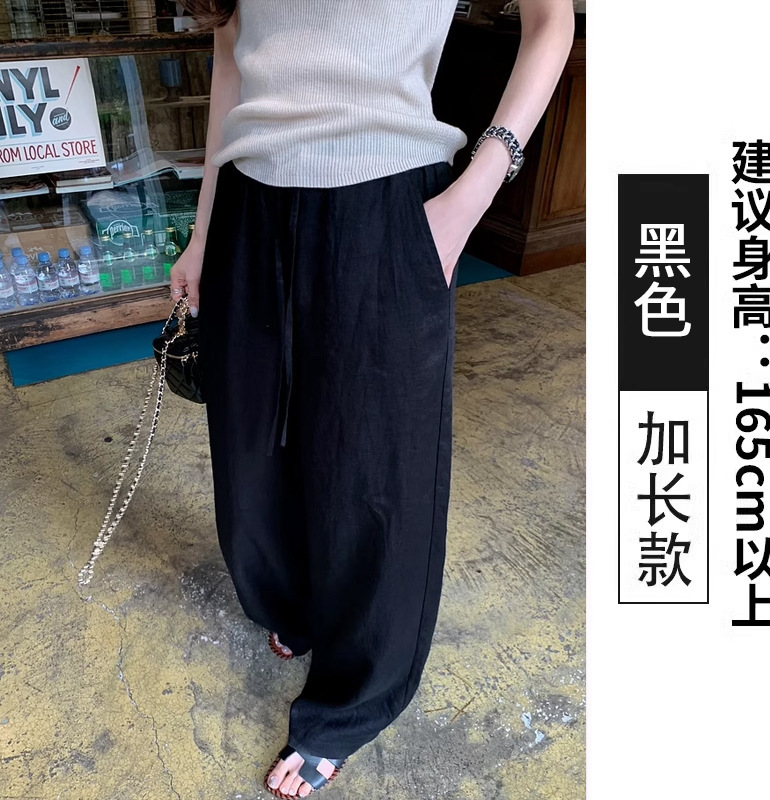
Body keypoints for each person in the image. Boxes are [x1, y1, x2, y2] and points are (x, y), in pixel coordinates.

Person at [170, 1, 574, 796]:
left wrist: (473, 196)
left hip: (385, 199)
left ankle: (353, 700)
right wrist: (205, 229)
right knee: (252, 449)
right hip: (249, 201)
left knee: (376, 470)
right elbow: (232, 50)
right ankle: (294, 605)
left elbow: (550, 21)